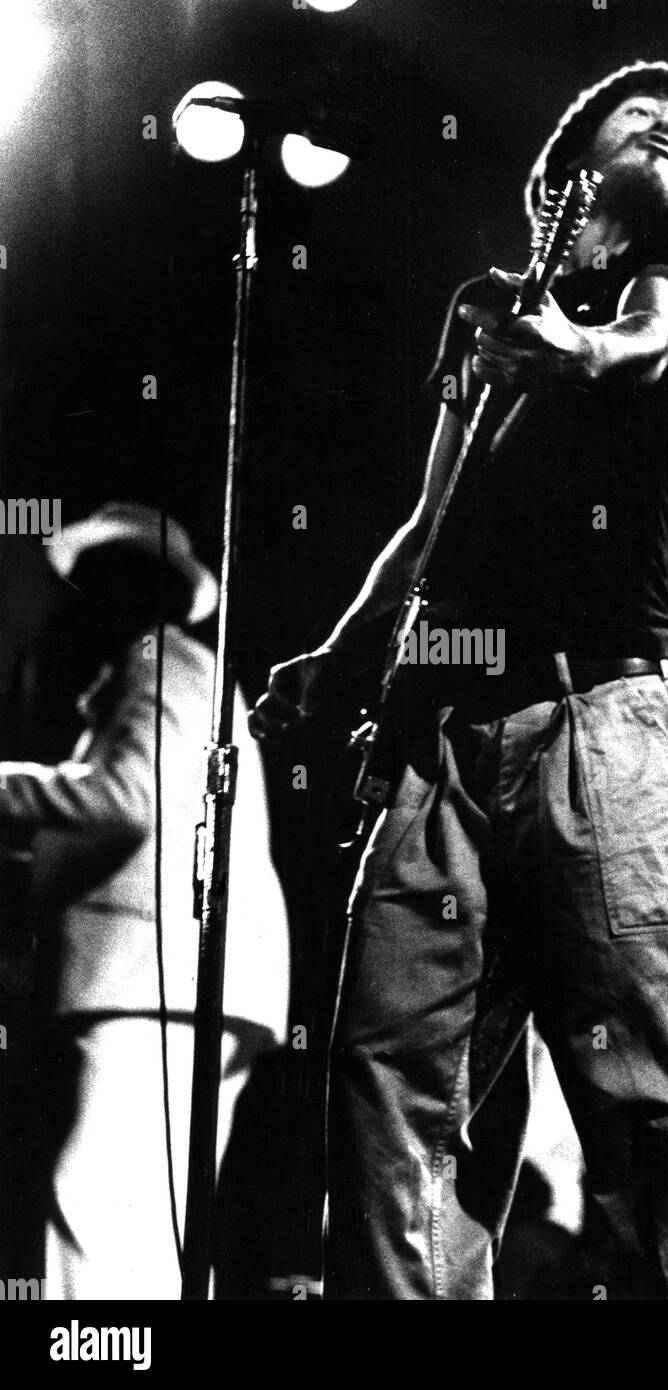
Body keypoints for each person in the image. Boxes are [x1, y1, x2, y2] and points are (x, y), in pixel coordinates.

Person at [251, 60, 668, 1300]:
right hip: (437, 747)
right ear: (572, 152)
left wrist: (576, 348)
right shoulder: (483, 307)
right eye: (644, 110)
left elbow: (647, 340)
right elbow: (427, 515)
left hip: (599, 723)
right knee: (393, 1102)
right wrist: (339, 655)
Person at [0, 502, 290, 1299]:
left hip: (147, 980)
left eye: (98, 581)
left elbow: (127, 800)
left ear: (142, 588)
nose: (78, 602)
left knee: (95, 1219)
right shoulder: (180, 673)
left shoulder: (159, 663)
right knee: (150, 1236)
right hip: (176, 984)